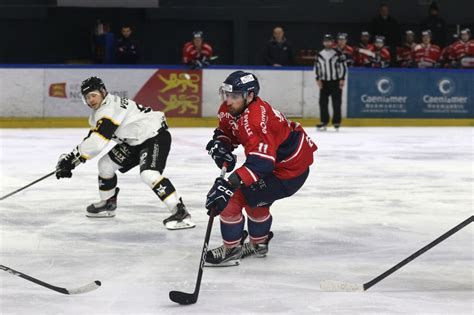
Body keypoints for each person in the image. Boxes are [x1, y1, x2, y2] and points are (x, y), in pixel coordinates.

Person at [203, 71, 317, 266]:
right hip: (283, 163)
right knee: (256, 199)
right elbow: (227, 131)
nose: (228, 101)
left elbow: (262, 163)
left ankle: (232, 249)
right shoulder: (234, 107)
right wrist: (222, 144)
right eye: (227, 94)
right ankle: (259, 244)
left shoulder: (254, 120)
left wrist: (229, 184)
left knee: (232, 197)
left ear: (249, 96)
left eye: (235, 96)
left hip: (289, 171)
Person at [55, 77, 195, 230]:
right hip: (134, 141)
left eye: (93, 95)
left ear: (103, 92)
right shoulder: (100, 112)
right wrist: (72, 160)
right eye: (87, 97)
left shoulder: (109, 109)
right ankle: (108, 204)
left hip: (154, 136)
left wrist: (70, 160)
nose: (91, 100)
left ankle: (180, 212)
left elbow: (97, 142)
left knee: (149, 174)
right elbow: (93, 139)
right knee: (105, 165)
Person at [315, 34, 347, 131]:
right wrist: (318, 79)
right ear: (323, 42)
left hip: (336, 81)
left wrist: (342, 79)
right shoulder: (319, 53)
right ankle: (324, 121)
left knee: (336, 102)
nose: (327, 43)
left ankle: (336, 122)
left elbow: (343, 67)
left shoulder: (338, 53)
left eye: (329, 41)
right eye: (325, 41)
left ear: (332, 42)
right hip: (324, 82)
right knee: (322, 102)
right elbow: (317, 67)